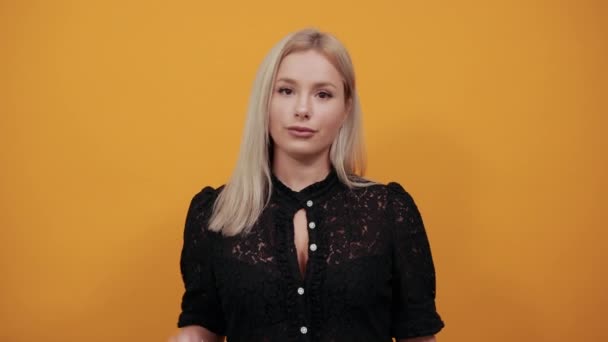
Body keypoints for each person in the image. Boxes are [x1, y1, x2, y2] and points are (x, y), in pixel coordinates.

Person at [168, 28, 445, 342]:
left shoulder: (389, 212)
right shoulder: (214, 214)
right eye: (286, 91)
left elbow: (418, 335)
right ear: (265, 101)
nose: (302, 109)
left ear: (346, 108)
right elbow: (199, 328)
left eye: (323, 94)